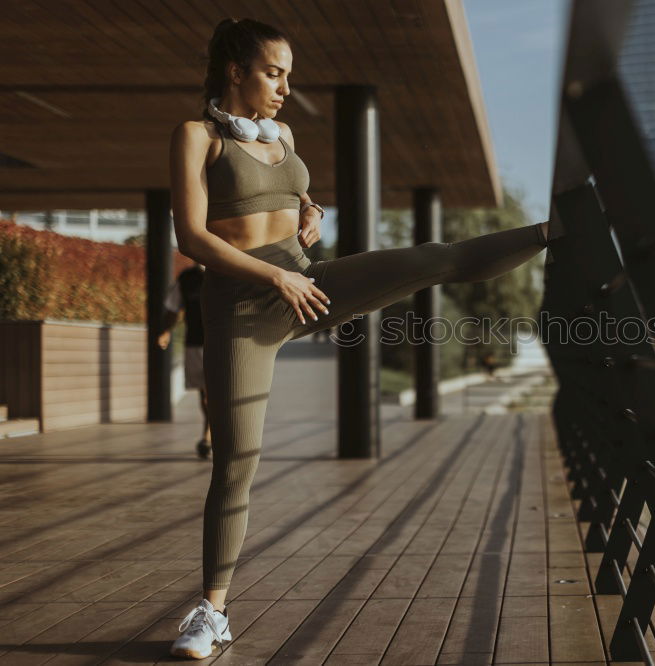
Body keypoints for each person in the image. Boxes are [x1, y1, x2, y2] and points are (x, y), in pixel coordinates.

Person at [167, 18, 556, 660]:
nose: (286, 87)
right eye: (273, 72)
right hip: (243, 309)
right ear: (235, 72)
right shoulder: (197, 137)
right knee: (236, 466)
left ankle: (551, 232)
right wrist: (273, 273)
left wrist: (309, 216)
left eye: (289, 74)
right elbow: (192, 236)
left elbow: (297, 197)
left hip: (309, 283)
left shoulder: (284, 136)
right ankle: (212, 613)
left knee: (431, 259)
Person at [158, 263, 212, 459]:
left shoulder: (226, 270)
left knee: (211, 394)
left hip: (221, 343)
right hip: (194, 343)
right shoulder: (187, 278)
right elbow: (174, 308)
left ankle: (208, 436)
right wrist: (165, 331)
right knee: (204, 395)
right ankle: (210, 434)